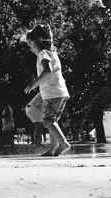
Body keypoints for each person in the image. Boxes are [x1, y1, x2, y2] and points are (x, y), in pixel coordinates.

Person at [25, 24, 71, 156]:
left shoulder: (42, 54)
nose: (30, 48)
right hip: (61, 93)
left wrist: (34, 84)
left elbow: (48, 72)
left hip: (52, 94)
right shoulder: (53, 53)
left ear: (33, 42)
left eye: (30, 45)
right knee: (52, 121)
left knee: (47, 120)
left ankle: (63, 143)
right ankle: (53, 149)